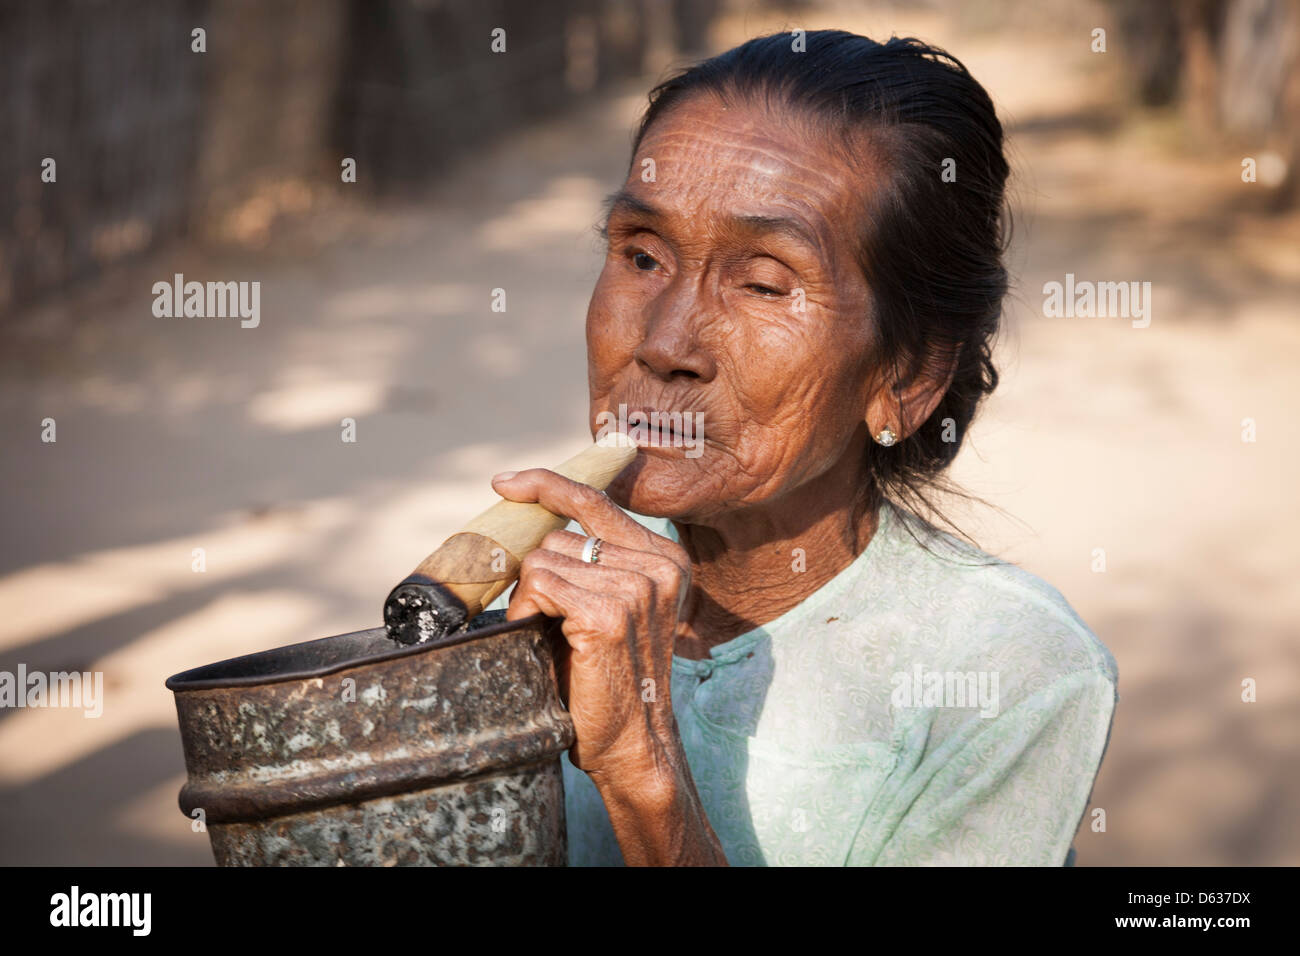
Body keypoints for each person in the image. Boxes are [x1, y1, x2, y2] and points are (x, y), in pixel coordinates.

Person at [486, 30, 1118, 866]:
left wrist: (643, 775)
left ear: (906, 376)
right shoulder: (546, 605)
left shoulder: (1012, 675)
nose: (666, 342)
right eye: (642, 255)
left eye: (762, 283)